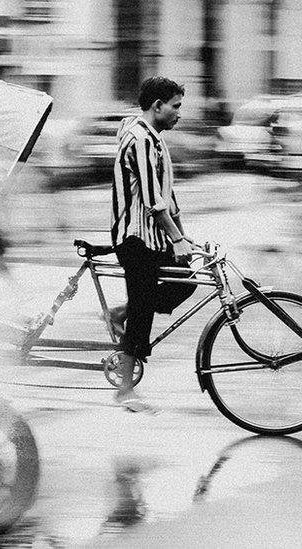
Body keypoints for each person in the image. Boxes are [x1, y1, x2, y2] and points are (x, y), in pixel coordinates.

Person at [109, 76, 197, 412]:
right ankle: (125, 390)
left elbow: (167, 198)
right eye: (175, 107)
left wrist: (182, 236)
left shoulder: (154, 138)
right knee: (144, 306)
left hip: (152, 236)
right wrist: (175, 237)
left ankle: (120, 313)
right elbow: (152, 201)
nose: (178, 114)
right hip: (134, 238)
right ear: (157, 106)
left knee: (185, 280)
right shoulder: (140, 140)